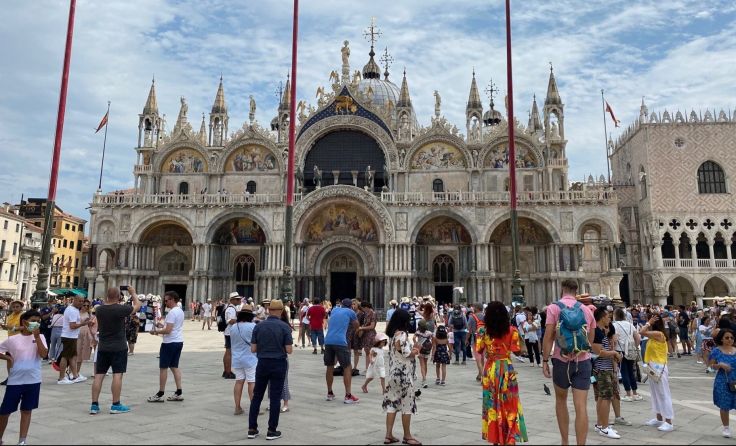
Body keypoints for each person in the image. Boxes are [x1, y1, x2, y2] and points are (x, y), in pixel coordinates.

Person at [542, 279, 596, 446]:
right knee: (581, 406)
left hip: (561, 360)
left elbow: (549, 336)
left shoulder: (553, 308)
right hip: (583, 361)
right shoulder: (587, 310)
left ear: (562, 289)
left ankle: (565, 442)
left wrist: (544, 360)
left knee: (561, 401)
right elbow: (590, 340)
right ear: (576, 290)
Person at [477, 301, 527, 445]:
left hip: (491, 369)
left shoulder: (483, 331)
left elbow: (479, 349)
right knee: (509, 403)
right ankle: (510, 437)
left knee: (492, 403)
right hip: (506, 368)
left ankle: (495, 438)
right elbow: (517, 350)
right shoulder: (512, 331)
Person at [90, 287, 141, 415]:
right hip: (119, 347)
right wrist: (133, 293)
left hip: (103, 347)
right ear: (119, 296)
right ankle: (115, 404)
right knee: (117, 375)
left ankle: (94, 405)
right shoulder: (121, 309)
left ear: (107, 296)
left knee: (99, 375)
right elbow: (138, 305)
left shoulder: (99, 309)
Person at [247, 300, 293, 441]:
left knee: (256, 397)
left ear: (269, 310)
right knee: (274, 398)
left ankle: (252, 429)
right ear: (280, 311)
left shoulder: (258, 326)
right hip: (278, 364)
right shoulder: (285, 327)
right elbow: (289, 350)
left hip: (262, 363)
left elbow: (253, 349)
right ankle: (271, 430)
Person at [0, 310, 48, 446]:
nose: (36, 324)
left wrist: (37, 337)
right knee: (5, 411)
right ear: (25, 322)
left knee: (27, 410)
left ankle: (22, 440)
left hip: (33, 380)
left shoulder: (41, 337)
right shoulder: (13, 339)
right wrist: (8, 357)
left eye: (38, 321)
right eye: (34, 321)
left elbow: (44, 354)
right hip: (15, 380)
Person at [382, 308, 421, 446]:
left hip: (393, 374)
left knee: (392, 404)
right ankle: (407, 436)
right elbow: (406, 353)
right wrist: (416, 350)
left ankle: (388, 435)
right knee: (407, 405)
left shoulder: (392, 335)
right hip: (404, 375)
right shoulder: (402, 334)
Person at [639, 313, 675, 432]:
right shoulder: (654, 335)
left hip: (659, 367)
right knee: (655, 394)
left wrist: (649, 322)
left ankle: (669, 421)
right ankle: (659, 418)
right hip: (652, 367)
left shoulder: (658, 334)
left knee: (663, 394)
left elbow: (641, 332)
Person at [147, 291, 185, 403]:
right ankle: (179, 392)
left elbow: (168, 330)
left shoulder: (172, 312)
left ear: (173, 299)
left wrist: (156, 331)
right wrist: (161, 325)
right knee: (174, 366)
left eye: (167, 300)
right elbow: (171, 327)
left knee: (163, 368)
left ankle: (160, 393)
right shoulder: (180, 311)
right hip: (178, 341)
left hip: (169, 343)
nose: (165, 302)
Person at [591, 307, 623, 439]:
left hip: (605, 368)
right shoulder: (596, 333)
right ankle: (604, 427)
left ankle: (600, 424)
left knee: (601, 398)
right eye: (607, 316)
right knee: (605, 398)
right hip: (602, 369)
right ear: (602, 317)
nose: (609, 319)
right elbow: (599, 352)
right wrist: (614, 353)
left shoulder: (601, 332)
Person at [324, 298, 359, 403]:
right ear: (350, 306)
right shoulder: (351, 312)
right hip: (340, 341)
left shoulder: (334, 309)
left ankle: (329, 393)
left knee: (330, 366)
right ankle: (348, 395)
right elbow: (356, 325)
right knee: (347, 367)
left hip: (328, 340)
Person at [57, 296, 92, 384]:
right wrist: (83, 323)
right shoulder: (72, 310)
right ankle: (61, 378)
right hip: (69, 336)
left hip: (72, 336)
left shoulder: (74, 309)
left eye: (82, 301)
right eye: (79, 301)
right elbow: (72, 326)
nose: (81, 303)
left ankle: (75, 375)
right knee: (65, 357)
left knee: (73, 356)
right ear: (74, 300)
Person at [708, 328, 736, 438]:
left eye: (732, 338)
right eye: (727, 338)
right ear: (722, 339)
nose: (730, 340)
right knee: (724, 404)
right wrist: (720, 365)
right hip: (722, 380)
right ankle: (726, 427)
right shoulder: (716, 351)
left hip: (735, 380)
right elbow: (710, 366)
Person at [231, 307, 257, 416]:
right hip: (250, 358)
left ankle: (237, 407)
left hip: (237, 358)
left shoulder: (233, 326)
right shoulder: (253, 326)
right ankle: (254, 408)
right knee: (251, 382)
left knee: (239, 381)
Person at [612, 307, 642, 402]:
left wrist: (613, 350)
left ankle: (628, 394)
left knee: (624, 372)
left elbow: (614, 339)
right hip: (630, 350)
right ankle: (635, 393)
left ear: (615, 315)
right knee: (631, 372)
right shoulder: (629, 324)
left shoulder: (615, 325)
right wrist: (634, 347)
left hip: (620, 351)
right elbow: (637, 338)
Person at [223, 293, 241, 380]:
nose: (239, 301)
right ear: (232, 300)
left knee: (228, 352)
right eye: (237, 299)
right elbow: (230, 321)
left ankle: (226, 370)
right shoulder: (231, 309)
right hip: (230, 333)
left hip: (229, 332)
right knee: (229, 352)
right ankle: (228, 372)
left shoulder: (233, 308)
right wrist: (241, 319)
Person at [76, 300, 96, 376]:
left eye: (88, 306)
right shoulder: (77, 313)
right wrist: (84, 322)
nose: (86, 307)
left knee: (82, 354)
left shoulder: (89, 313)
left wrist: (90, 322)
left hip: (86, 333)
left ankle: (77, 372)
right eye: (84, 305)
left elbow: (90, 325)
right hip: (78, 333)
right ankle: (72, 372)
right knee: (76, 353)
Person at [467, 303, 486, 381]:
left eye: (474, 307)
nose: (472, 308)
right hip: (484, 339)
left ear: (477, 308)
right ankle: (480, 374)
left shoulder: (472, 317)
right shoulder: (485, 316)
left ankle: (483, 377)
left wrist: (466, 339)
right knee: (482, 357)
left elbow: (469, 330)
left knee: (478, 358)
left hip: (475, 339)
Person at [357, 301, 378, 373]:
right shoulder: (366, 313)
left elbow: (372, 326)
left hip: (370, 334)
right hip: (366, 334)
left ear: (366, 307)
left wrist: (362, 328)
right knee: (367, 352)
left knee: (370, 352)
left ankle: (370, 369)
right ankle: (367, 368)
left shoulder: (373, 313)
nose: (363, 310)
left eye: (363, 308)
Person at [413, 320, 433, 389]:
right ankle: (424, 378)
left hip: (421, 349)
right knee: (425, 364)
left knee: (422, 365)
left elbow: (413, 338)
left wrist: (416, 343)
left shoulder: (418, 332)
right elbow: (432, 339)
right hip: (427, 350)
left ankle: (424, 379)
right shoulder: (429, 333)